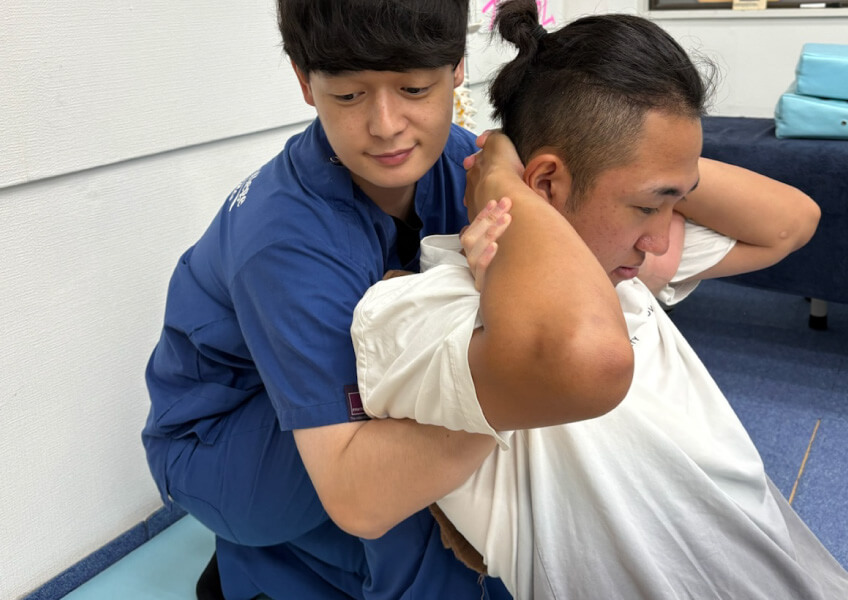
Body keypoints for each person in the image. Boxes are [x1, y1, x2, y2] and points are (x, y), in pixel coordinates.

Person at [350, 3, 848, 598]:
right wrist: (502, 185)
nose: (660, 235)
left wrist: (663, 174)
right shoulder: (428, 309)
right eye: (650, 205)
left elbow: (792, 222)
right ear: (543, 184)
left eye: (677, 203)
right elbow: (583, 354)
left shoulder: (626, 266)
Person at [142, 1, 633, 598]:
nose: (387, 124)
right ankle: (264, 565)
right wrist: (531, 384)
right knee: (407, 482)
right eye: (348, 96)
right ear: (305, 82)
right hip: (218, 439)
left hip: (314, 398)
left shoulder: (464, 160)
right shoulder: (283, 241)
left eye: (413, 87)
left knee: (457, 391)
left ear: (456, 69)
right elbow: (359, 497)